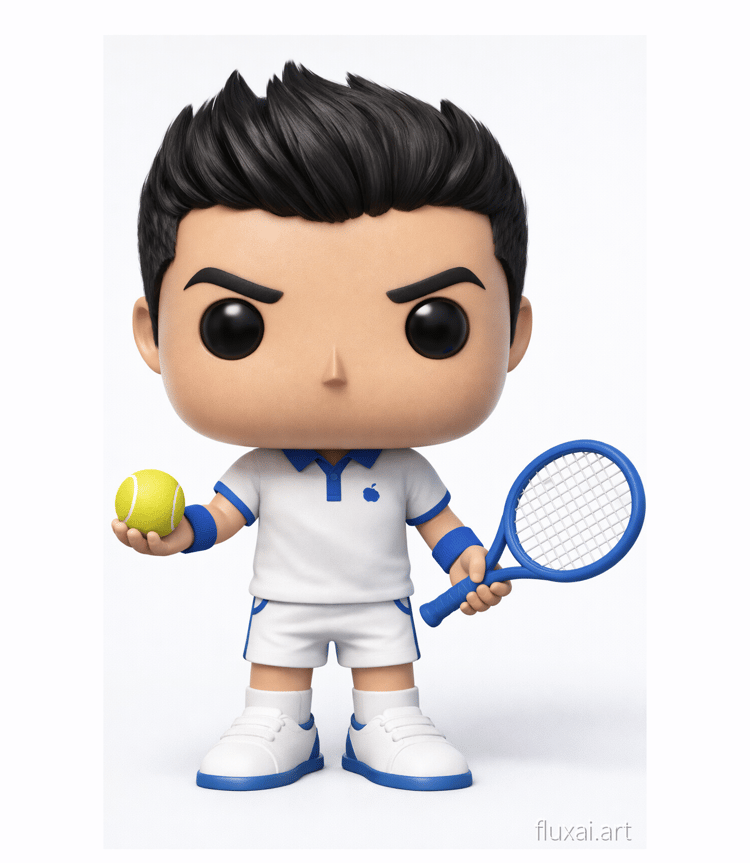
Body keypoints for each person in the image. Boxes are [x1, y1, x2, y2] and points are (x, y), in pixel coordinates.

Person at [113, 63, 533, 792]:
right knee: (275, 674)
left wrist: (468, 562)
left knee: (387, 674)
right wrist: (180, 535)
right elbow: (218, 518)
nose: (332, 369)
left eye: (433, 324)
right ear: (154, 334)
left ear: (512, 335)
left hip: (380, 602)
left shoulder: (405, 471)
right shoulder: (261, 470)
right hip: (285, 601)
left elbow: (442, 528)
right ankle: (279, 722)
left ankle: (385, 724)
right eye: (235, 324)